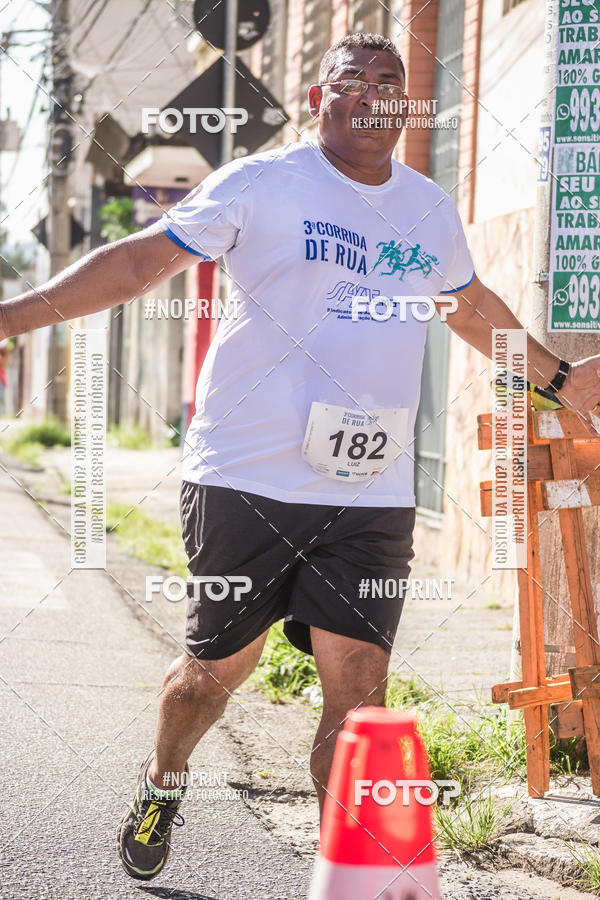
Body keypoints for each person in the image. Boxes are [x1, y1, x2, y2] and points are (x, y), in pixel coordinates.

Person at [2, 31, 600, 883]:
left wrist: (560, 379)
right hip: (245, 477)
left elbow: (468, 308)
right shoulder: (262, 184)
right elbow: (139, 266)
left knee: (359, 698)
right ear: (320, 99)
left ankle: (343, 876)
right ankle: (164, 777)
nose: (370, 89)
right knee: (212, 677)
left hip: (372, 488)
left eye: (388, 79)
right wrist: (11, 316)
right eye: (348, 77)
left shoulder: (427, 207)